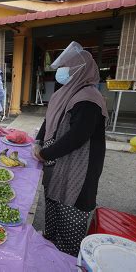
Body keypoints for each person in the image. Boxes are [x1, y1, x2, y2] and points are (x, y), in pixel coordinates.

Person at [33, 41, 108, 256]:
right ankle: (49, 244)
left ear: (80, 70)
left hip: (79, 167)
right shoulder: (63, 93)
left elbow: (76, 137)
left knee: (70, 208)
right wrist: (38, 141)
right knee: (53, 202)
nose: (61, 72)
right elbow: (48, 122)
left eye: (66, 68)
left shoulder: (89, 99)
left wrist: (45, 154)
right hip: (56, 162)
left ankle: (65, 256)